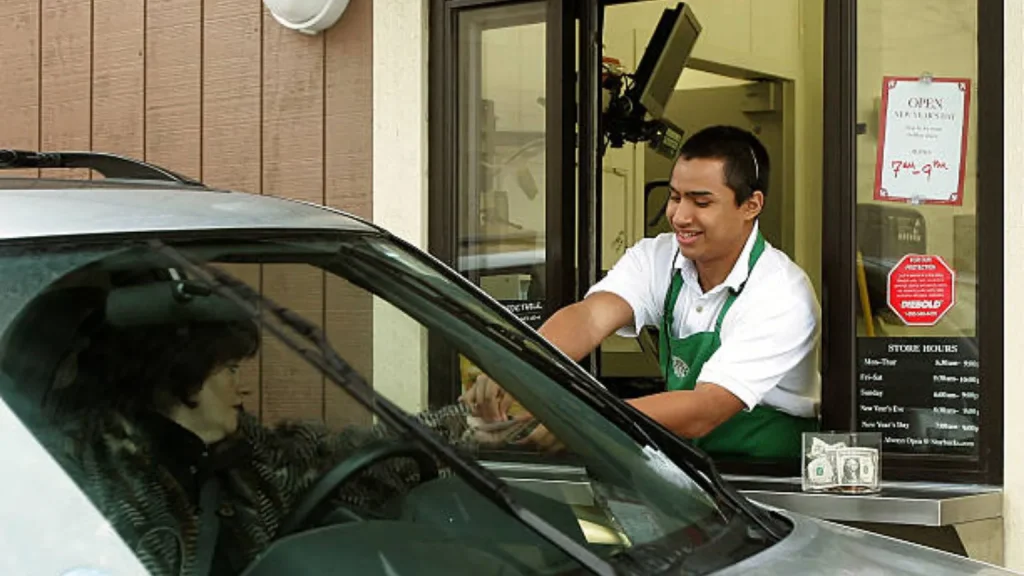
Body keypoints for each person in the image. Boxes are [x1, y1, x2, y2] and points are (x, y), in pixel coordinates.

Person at [464, 125, 821, 459]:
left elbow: (706, 408)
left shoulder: (780, 293)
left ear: (751, 205)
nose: (680, 216)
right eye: (675, 197)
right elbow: (589, 318)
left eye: (701, 202)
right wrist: (516, 364)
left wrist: (586, 418)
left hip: (770, 481)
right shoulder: (658, 257)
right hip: (693, 465)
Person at [39, 317, 476, 576]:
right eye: (228, 370)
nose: (240, 387)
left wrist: (463, 423)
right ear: (178, 376)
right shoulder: (87, 476)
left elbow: (340, 456)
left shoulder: (245, 453)